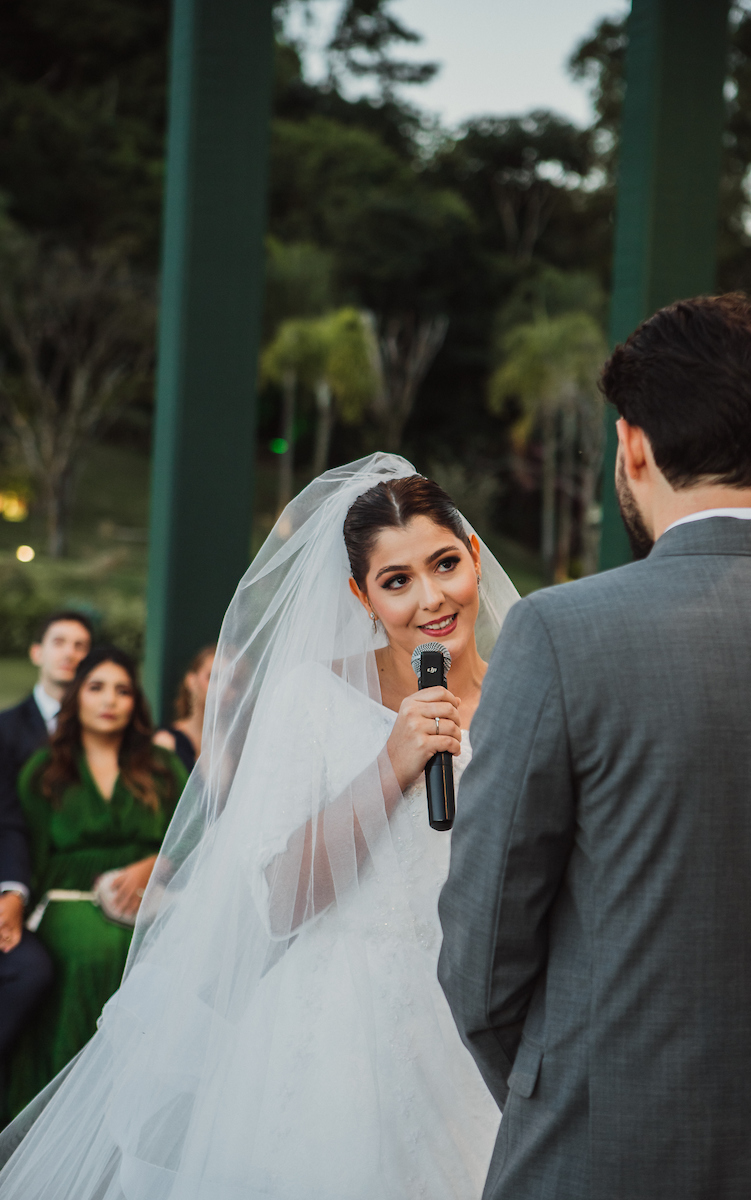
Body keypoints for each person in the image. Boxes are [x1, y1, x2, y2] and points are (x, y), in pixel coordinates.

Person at [0, 455, 518, 1199]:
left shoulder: (525, 697)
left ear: (473, 557)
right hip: (341, 1034)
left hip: (480, 1032)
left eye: (444, 564)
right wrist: (392, 764)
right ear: (361, 596)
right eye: (396, 581)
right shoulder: (314, 695)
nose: (431, 599)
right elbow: (280, 899)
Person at [438, 293, 751, 1200]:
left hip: (599, 1154)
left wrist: (563, 1089)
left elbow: (481, 958)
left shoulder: (559, 634)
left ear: (631, 445)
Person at [6, 645, 187, 1118]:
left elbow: (196, 836)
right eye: (96, 688)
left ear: (136, 703)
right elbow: (31, 860)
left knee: (166, 959)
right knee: (94, 952)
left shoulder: (163, 769)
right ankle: (67, 1116)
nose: (110, 700)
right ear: (77, 699)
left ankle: (146, 1116)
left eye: (123, 690)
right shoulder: (43, 773)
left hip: (157, 899)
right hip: (69, 900)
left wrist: (157, 864)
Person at [0, 611, 92, 1121]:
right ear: (36, 651)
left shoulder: (101, 737)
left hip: (49, 887)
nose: (70, 653)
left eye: (82, 645)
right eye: (60, 641)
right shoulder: (5, 731)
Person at [152, 644, 215, 773]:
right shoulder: (165, 741)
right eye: (213, 677)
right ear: (191, 681)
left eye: (233, 681)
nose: (223, 686)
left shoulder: (236, 749)